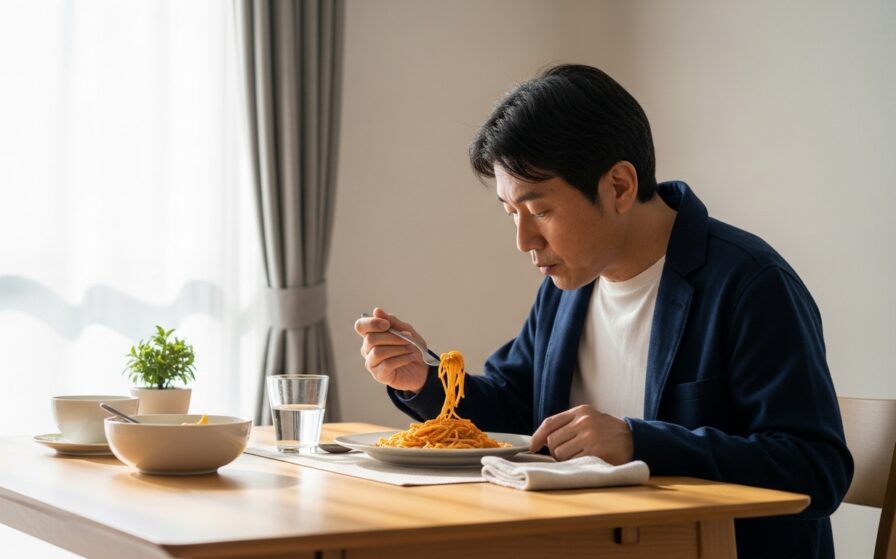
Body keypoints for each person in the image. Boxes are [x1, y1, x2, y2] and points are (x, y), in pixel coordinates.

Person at [353, 64, 852, 558]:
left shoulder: (749, 284)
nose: (524, 240)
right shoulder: (567, 286)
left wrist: (639, 443)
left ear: (619, 186)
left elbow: (816, 468)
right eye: (512, 214)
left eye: (540, 211)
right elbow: (514, 408)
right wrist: (424, 379)